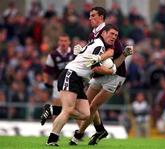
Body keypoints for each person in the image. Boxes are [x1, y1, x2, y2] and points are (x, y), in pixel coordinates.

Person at [41, 7, 134, 145]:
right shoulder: (94, 36)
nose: (90, 18)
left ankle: (79, 132)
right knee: (82, 108)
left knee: (87, 110)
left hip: (113, 75)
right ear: (105, 33)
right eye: (90, 16)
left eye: (93, 15)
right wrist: (85, 54)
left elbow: (109, 56)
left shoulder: (107, 36)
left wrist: (120, 58)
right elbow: (94, 62)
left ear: (101, 17)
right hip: (83, 74)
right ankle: (56, 138)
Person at [46, 24, 119, 146]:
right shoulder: (99, 45)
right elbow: (95, 68)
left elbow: (90, 59)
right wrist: (112, 70)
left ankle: (52, 109)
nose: (113, 37)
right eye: (111, 33)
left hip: (79, 80)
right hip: (71, 74)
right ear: (103, 33)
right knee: (68, 110)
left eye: (116, 35)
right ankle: (52, 140)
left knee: (85, 114)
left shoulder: (97, 43)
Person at [42, 34, 74, 107]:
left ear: (69, 42)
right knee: (57, 108)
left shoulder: (74, 53)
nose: (63, 43)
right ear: (58, 42)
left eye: (65, 41)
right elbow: (47, 71)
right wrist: (47, 82)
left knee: (73, 107)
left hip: (72, 82)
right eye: (61, 41)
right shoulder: (53, 55)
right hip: (58, 82)